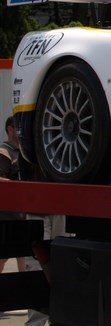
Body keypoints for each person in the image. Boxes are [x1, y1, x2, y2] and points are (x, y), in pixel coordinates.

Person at [0, 116, 26, 273]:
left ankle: (26, 282)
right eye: (18, 127)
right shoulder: (4, 152)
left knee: (23, 253)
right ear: (10, 129)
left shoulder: (23, 152)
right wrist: (19, 187)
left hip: (21, 214)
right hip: (7, 216)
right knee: (4, 255)